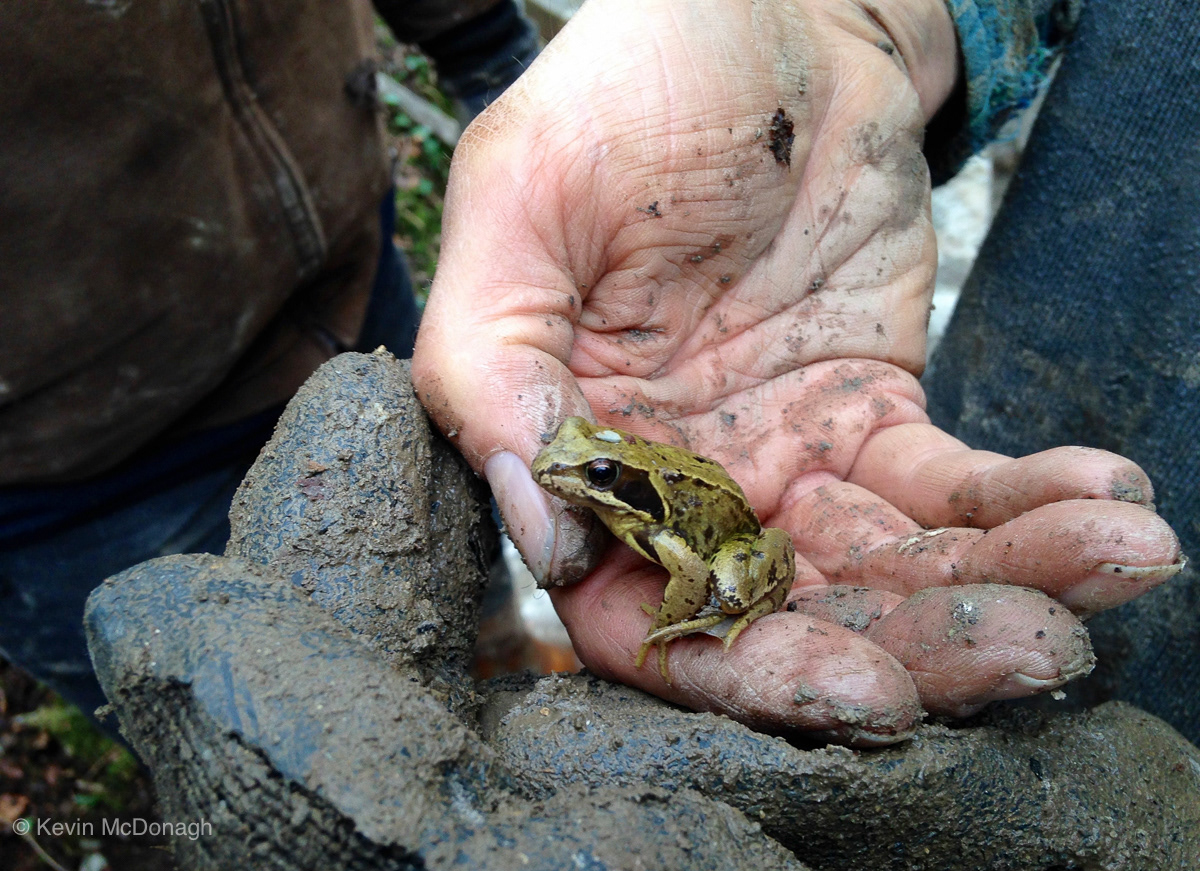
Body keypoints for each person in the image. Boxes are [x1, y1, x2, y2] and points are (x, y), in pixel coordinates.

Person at [410, 0, 1193, 744]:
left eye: (600, 472)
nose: (576, 476)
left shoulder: (645, 519)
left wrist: (683, 620)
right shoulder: (626, 507)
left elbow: (690, 571)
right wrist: (853, 21)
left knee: (771, 581)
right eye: (593, 463)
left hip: (736, 534)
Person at [0, 0, 538, 721]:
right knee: (272, 744)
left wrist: (491, 50)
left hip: (349, 293)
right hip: (74, 471)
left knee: (472, 601)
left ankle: (512, 672)